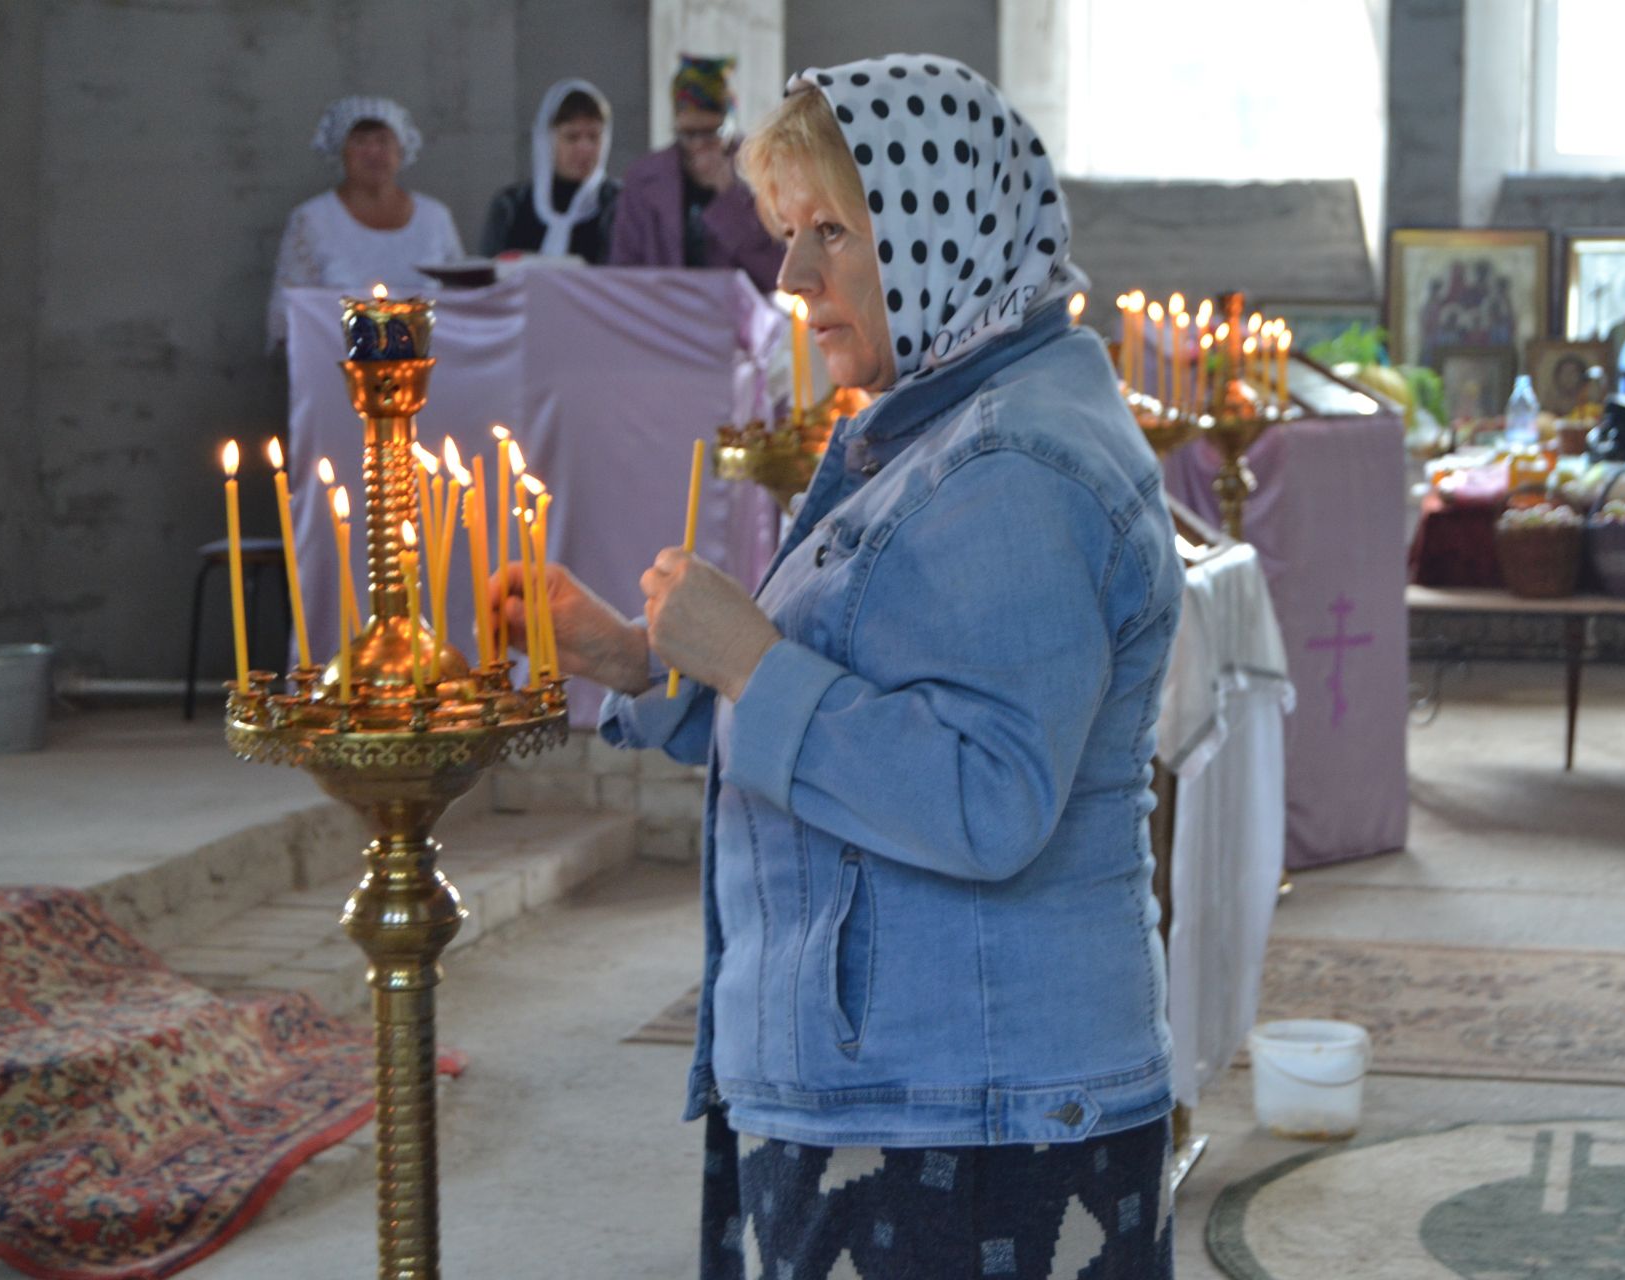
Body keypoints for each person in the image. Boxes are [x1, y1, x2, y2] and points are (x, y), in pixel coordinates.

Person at [496, 54, 1181, 1278]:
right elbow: (876, 727)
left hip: (968, 1129)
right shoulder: (951, 417)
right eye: (785, 232)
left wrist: (754, 660)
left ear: (936, 227)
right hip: (921, 1086)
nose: (791, 276)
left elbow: (985, 794)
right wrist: (652, 669)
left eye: (831, 234)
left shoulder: (1011, 467)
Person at [267, 97, 464, 349]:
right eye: (360, 142)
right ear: (341, 151)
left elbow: (462, 299)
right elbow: (288, 312)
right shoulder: (311, 219)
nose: (373, 152)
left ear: (401, 149)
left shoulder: (435, 217)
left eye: (383, 140)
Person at [606, 55, 784, 291]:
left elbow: (776, 271)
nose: (699, 144)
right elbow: (623, 266)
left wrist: (730, 196)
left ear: (729, 124)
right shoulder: (644, 178)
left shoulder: (762, 170)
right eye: (689, 133)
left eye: (711, 132)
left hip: (735, 317)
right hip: (662, 315)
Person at [479, 79, 622, 261]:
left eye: (594, 137)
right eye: (572, 137)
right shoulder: (510, 206)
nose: (585, 148)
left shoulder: (618, 204)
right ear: (547, 141)